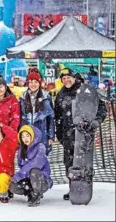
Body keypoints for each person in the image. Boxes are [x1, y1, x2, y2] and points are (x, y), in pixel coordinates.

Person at [54, 68, 106, 200]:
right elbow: (58, 116)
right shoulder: (61, 95)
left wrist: (96, 121)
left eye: (68, 78)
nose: (66, 80)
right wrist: (60, 134)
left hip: (84, 135)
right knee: (69, 164)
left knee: (83, 162)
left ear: (74, 77)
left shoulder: (86, 91)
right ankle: (74, 188)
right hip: (67, 135)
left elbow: (101, 109)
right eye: (63, 79)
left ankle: (85, 186)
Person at [9, 125, 53, 207]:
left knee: (34, 171)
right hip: (29, 180)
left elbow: (36, 164)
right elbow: (21, 165)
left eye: (27, 135)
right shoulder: (21, 150)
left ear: (33, 135)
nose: (25, 138)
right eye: (22, 136)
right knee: (13, 186)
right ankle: (30, 192)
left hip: (41, 180)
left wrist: (19, 175)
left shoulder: (40, 147)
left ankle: (37, 193)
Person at [19, 71, 55, 155]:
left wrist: (51, 136)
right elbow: (20, 117)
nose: (33, 84)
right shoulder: (23, 98)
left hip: (42, 132)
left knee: (41, 160)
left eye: (35, 82)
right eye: (31, 82)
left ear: (39, 83)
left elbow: (51, 118)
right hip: (27, 134)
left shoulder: (46, 97)